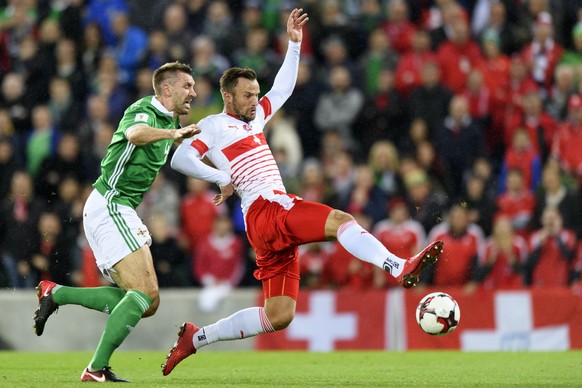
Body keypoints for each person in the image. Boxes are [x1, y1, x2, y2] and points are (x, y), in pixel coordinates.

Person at [161, 8, 443, 376]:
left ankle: (195, 339)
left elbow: (282, 89)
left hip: (262, 224)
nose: (254, 100)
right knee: (340, 220)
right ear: (228, 96)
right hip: (266, 206)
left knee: (279, 315)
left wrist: (294, 46)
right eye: (247, 96)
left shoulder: (255, 117)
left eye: (255, 94)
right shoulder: (214, 125)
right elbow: (179, 159)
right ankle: (397, 265)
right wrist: (220, 176)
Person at [32, 61, 200, 382]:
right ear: (167, 89)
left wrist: (220, 175)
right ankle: (95, 368)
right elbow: (135, 134)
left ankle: (57, 294)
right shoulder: (145, 111)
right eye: (187, 86)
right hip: (110, 202)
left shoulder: (169, 121)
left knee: (147, 301)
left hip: (121, 208)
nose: (193, 92)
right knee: (143, 294)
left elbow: (182, 153)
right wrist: (173, 133)